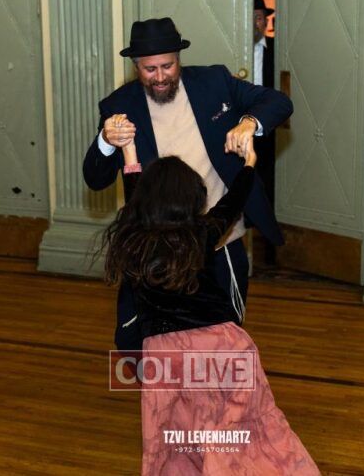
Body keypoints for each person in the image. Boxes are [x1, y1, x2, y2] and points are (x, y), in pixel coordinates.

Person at [102, 129, 320, 475]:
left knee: (178, 439)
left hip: (165, 357)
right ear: (191, 199)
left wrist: (130, 153)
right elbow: (232, 203)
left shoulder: (133, 239)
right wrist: (249, 164)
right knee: (237, 435)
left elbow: (133, 200)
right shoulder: (200, 234)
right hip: (222, 348)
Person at [83, 17, 292, 350]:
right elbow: (95, 179)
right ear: (136, 67)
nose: (160, 76)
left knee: (225, 335)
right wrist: (106, 141)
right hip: (155, 253)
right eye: (150, 69)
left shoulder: (213, 82)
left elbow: (279, 102)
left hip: (220, 240)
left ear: (178, 59)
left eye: (167, 66)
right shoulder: (119, 106)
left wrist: (249, 123)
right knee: (145, 343)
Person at [253, 0, 278, 265]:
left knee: (269, 183)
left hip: (269, 131)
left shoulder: (277, 51)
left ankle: (271, 245)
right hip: (237, 131)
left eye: (258, 18)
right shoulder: (231, 52)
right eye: (249, 18)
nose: (254, 24)